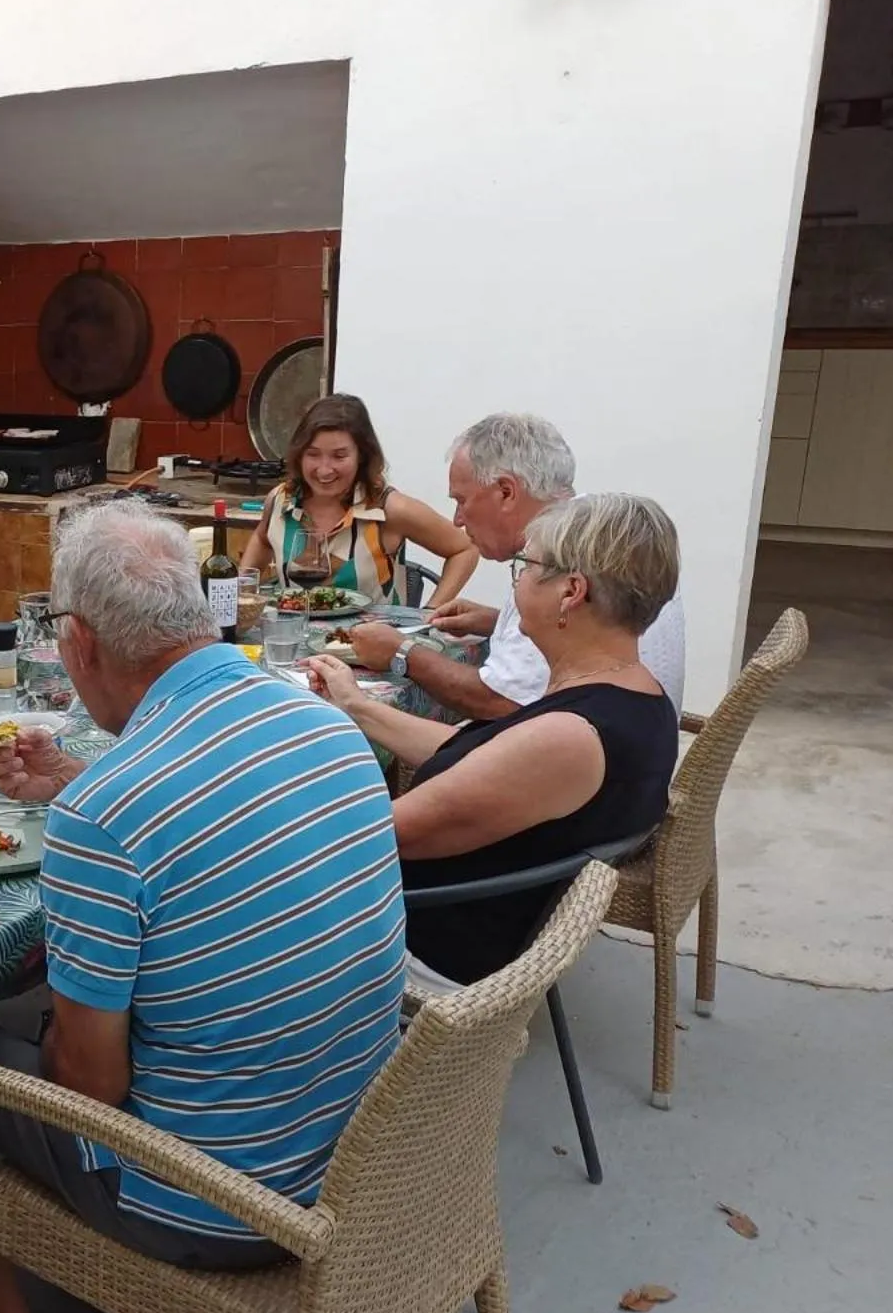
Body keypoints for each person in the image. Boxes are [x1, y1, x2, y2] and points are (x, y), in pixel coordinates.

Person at [0, 500, 407, 1313]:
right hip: (358, 1152)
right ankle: (108, 1294)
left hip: (223, 1205)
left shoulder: (110, 817)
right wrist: (72, 792)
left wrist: (50, 1027)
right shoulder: (332, 731)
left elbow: (93, 1084)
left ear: (78, 643)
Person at [308, 492, 681, 987]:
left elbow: (376, 838)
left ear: (570, 592)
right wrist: (357, 706)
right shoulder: (633, 694)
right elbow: (479, 758)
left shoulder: (568, 738)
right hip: (465, 921)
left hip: (414, 946)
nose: (516, 580)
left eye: (526, 566)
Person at [345, 412, 687, 721]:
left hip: (583, 775)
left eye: (462, 501)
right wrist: (499, 622)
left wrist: (400, 651)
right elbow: (590, 632)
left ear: (507, 492)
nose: (458, 519)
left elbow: (500, 702)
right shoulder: (601, 533)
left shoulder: (561, 558)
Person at [239, 393, 479, 608]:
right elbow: (262, 539)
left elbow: (465, 548)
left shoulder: (388, 509)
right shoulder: (280, 501)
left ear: (361, 456)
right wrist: (243, 595)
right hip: (291, 646)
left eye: (339, 456)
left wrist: (430, 613)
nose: (324, 470)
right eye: (312, 454)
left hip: (367, 653)